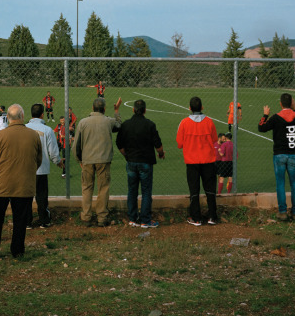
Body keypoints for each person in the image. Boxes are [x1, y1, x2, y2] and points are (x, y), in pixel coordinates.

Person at [0, 104, 42, 260]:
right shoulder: (33, 135)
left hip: (1, 185)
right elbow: (38, 160)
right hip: (24, 184)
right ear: (22, 116)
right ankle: (17, 250)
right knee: (20, 219)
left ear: (8, 118)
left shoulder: (0, 136)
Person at [258, 93, 295, 221]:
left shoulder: (276, 117)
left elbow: (261, 128)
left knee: (280, 184)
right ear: (291, 103)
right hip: (293, 155)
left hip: (279, 155)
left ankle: (282, 212)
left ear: (280, 104)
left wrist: (265, 114)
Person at [72, 97, 122, 227]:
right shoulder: (108, 121)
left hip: (87, 160)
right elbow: (119, 126)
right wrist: (116, 111)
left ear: (92, 108)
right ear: (104, 109)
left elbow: (76, 145)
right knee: (103, 188)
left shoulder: (83, 122)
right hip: (104, 160)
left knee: (87, 188)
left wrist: (79, 160)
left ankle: (86, 216)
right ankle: (102, 217)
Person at [116, 99, 165, 228]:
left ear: (133, 110)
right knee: (146, 191)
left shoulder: (126, 124)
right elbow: (158, 146)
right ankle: (145, 220)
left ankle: (132, 218)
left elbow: (119, 143)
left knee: (132, 190)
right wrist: (161, 154)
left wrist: (126, 155)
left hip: (131, 162)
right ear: (145, 110)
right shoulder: (150, 125)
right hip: (145, 162)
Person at [176, 96, 218, 226]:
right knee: (210, 189)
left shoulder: (184, 123)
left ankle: (196, 218)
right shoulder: (210, 122)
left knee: (194, 190)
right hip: (208, 161)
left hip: (192, 162)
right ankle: (212, 216)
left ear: (189, 108)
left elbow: (179, 143)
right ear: (202, 107)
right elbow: (214, 140)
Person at [26, 103, 63, 228]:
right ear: (42, 114)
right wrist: (58, 162)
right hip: (41, 169)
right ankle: (44, 221)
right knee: (41, 196)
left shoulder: (24, 128)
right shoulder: (47, 130)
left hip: (26, 170)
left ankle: (27, 222)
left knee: (26, 197)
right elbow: (53, 150)